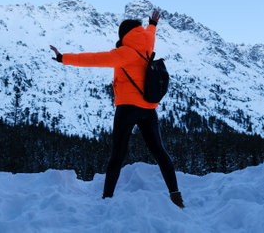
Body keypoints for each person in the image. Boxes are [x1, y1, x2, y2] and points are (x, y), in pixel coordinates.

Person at [50, 11, 184, 208]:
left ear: (124, 35)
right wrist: (153, 23)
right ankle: (176, 196)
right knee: (159, 152)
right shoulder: (147, 43)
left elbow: (93, 59)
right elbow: (150, 33)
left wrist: (63, 58)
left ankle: (107, 198)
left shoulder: (124, 53)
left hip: (127, 109)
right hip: (148, 109)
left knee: (118, 155)